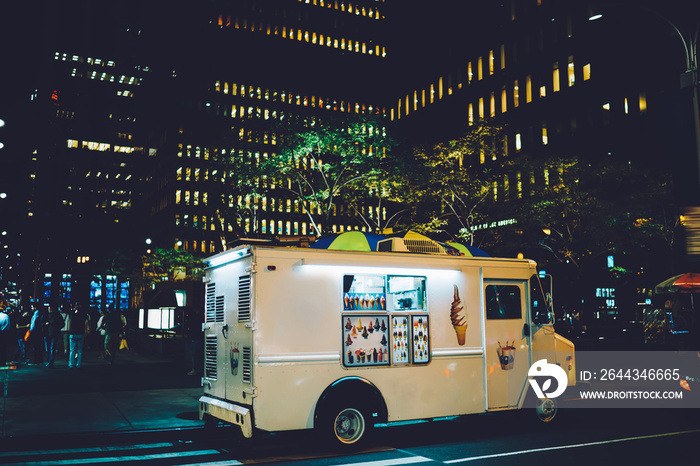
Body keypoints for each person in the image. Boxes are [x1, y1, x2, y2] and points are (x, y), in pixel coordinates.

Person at [68, 303, 90, 369]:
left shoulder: (72, 315)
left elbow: (69, 323)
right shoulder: (84, 316)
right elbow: (86, 325)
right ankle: (78, 364)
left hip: (73, 333)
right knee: (80, 350)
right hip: (80, 334)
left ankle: (71, 364)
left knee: (72, 350)